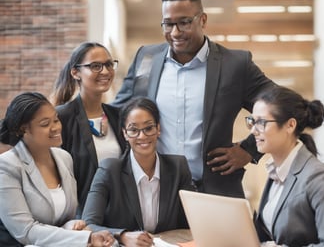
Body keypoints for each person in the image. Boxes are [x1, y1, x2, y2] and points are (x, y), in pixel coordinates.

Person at [112, 0, 277, 197]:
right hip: (155, 194)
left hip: (214, 191)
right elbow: (118, 111)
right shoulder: (147, 58)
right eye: (168, 24)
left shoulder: (235, 64)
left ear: (203, 20)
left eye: (184, 23)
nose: (175, 32)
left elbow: (280, 105)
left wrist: (249, 149)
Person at [0, 92, 115, 247]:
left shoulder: (64, 158)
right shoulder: (6, 166)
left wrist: (72, 225)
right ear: (23, 130)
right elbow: (25, 232)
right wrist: (86, 239)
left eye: (56, 119)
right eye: (45, 124)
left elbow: (64, 219)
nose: (56, 127)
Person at [82, 97, 194, 247]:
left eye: (148, 128)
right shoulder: (109, 169)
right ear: (125, 134)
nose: (142, 136)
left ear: (158, 129)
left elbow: (193, 220)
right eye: (134, 130)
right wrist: (122, 236)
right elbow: (88, 224)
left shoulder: (178, 167)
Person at [245, 86, 324, 246]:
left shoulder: (319, 178)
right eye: (252, 122)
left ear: (290, 125)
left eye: (261, 122)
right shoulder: (275, 172)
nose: (254, 131)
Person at [51, 42, 125, 216]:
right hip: (80, 219)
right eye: (95, 66)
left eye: (108, 64)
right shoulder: (61, 118)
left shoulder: (119, 116)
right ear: (75, 72)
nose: (106, 71)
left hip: (120, 217)